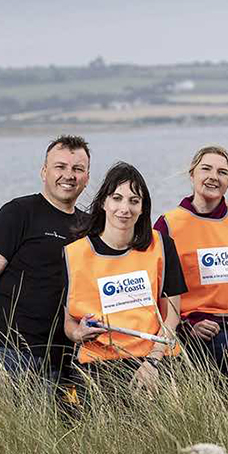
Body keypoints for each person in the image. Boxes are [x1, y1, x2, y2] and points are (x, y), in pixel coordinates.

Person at [0, 135, 91, 383]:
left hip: (61, 358)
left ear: (87, 177)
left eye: (77, 169)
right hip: (7, 352)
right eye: (60, 167)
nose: (69, 175)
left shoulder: (89, 227)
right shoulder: (19, 212)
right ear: (44, 172)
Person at [64, 162, 187, 391]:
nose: (125, 208)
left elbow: (172, 316)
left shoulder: (161, 245)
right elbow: (68, 324)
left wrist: (153, 361)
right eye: (117, 198)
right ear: (103, 202)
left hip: (155, 358)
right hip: (98, 363)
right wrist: (78, 333)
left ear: (142, 208)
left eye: (134, 201)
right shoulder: (76, 253)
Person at [154, 146, 228, 371]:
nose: (213, 177)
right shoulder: (168, 224)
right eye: (206, 169)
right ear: (192, 174)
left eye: (222, 172)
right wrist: (187, 326)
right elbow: (155, 290)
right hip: (195, 330)